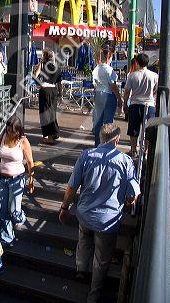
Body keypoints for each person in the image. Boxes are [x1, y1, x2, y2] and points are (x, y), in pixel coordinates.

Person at [59, 123, 140, 303]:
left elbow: (71, 186)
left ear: (100, 137)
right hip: (107, 221)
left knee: (84, 238)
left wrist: (64, 208)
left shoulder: (86, 156)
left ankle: (81, 269)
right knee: (102, 258)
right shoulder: (125, 161)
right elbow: (132, 194)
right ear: (117, 140)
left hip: (85, 214)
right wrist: (129, 201)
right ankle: (93, 294)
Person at [0, 115, 34, 247]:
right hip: (2, 179)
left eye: (12, 130)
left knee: (14, 210)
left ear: (18, 130)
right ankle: (7, 237)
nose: (9, 132)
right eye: (8, 129)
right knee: (2, 209)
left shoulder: (23, 141)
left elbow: (30, 162)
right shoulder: (4, 136)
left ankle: (20, 217)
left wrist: (31, 180)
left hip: (17, 180)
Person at [123, 53, 158, 158]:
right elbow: (155, 90)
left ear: (137, 62)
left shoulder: (132, 75)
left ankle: (134, 150)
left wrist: (125, 104)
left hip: (135, 104)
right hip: (150, 104)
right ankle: (146, 151)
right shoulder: (154, 76)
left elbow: (127, 92)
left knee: (133, 129)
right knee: (148, 129)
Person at [92, 47, 122, 146]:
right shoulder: (109, 69)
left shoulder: (96, 68)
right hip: (108, 95)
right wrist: (119, 98)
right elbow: (112, 85)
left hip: (98, 95)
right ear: (108, 57)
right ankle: (106, 144)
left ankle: (97, 143)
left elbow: (94, 84)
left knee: (98, 122)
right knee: (107, 123)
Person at [34, 48, 62, 145]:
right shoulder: (57, 67)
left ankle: (48, 136)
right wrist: (60, 94)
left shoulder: (42, 65)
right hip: (54, 91)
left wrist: (40, 83)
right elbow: (59, 83)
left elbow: (35, 75)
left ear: (45, 56)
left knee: (44, 113)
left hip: (45, 90)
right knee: (52, 113)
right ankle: (51, 135)